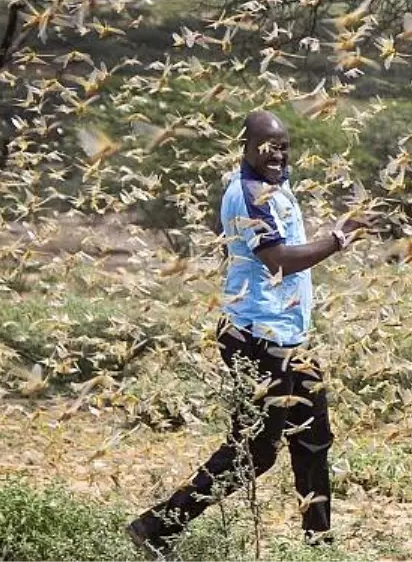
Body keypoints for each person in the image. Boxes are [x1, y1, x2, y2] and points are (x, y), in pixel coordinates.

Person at [127, 110, 374, 556]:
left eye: (283, 145)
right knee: (256, 451)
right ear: (246, 145)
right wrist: (336, 240)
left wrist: (339, 230)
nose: (277, 153)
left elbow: (287, 250)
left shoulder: (277, 185)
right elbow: (279, 259)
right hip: (255, 339)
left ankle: (318, 545)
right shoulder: (248, 195)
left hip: (287, 338)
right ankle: (156, 527)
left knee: (314, 437)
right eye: (268, 145)